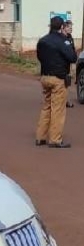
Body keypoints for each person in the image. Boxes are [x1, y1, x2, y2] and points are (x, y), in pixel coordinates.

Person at [35, 15, 78, 148]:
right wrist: (69, 43)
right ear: (61, 27)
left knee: (46, 107)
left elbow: (40, 57)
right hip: (58, 78)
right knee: (58, 109)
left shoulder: (42, 41)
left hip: (45, 77)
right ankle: (55, 139)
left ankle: (40, 137)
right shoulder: (63, 41)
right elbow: (72, 58)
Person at [62, 20, 77, 108]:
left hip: (68, 64)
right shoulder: (61, 38)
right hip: (61, 65)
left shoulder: (70, 37)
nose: (71, 29)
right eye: (69, 27)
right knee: (60, 83)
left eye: (71, 27)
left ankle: (66, 100)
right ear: (64, 28)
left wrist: (73, 64)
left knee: (67, 83)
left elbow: (73, 49)